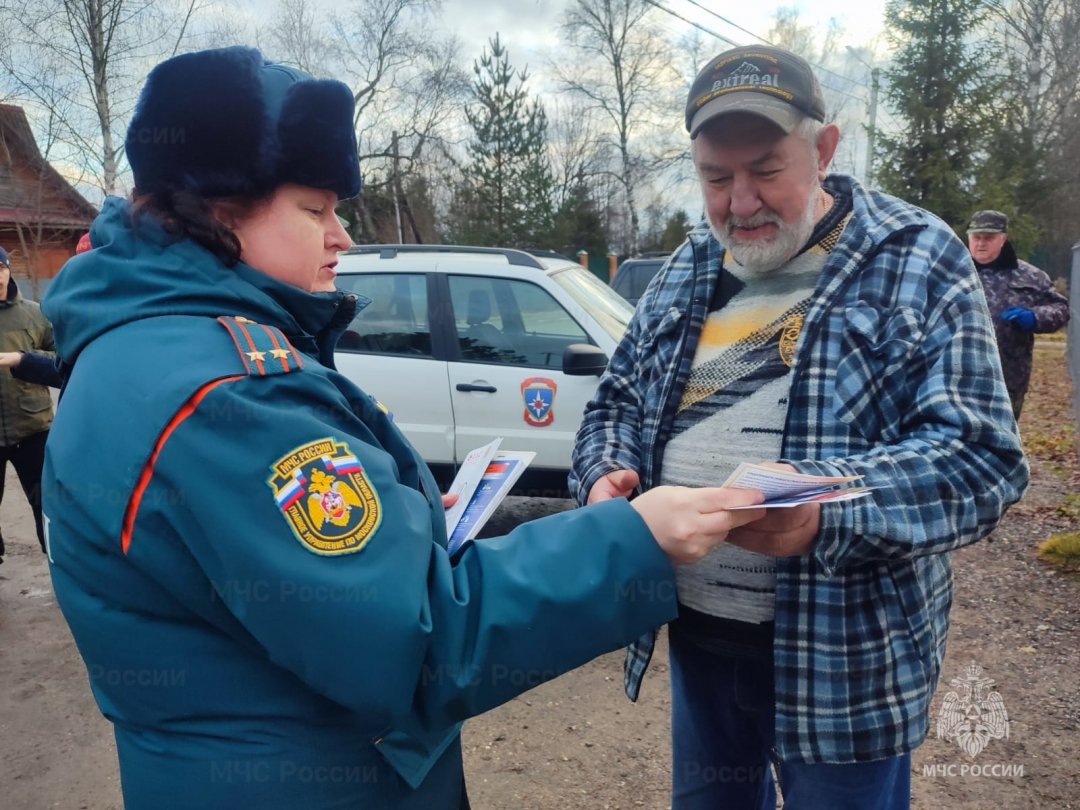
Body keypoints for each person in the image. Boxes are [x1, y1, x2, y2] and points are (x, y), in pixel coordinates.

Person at [40, 46, 768, 810]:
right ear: (218, 212)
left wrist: (409, 528)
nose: (341, 235)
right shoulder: (225, 399)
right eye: (315, 209)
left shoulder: (144, 347)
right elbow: (414, 642)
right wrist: (635, 539)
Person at [571, 44, 1029, 810]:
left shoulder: (915, 257)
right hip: (704, 644)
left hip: (846, 661)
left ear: (823, 149)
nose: (740, 202)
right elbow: (614, 404)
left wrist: (828, 511)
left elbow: (981, 459)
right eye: (717, 179)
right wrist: (604, 476)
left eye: (765, 169)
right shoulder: (686, 268)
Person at [966, 209, 1070, 419]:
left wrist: (1035, 317)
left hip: (1008, 379)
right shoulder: (952, 272)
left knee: (1002, 442)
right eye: (976, 237)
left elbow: (1061, 309)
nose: (981, 243)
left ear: (1003, 239)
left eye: (989, 238)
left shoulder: (1029, 275)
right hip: (956, 377)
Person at [0, 247, 55, 563]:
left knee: (46, 504)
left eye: (0, 267)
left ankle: (55, 558)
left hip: (33, 429)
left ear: (8, 269)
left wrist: (25, 359)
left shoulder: (36, 314)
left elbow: (64, 361)